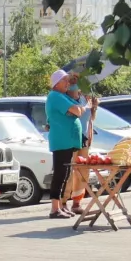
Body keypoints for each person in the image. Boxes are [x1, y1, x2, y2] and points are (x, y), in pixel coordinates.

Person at [45, 68, 87, 219]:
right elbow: (77, 110)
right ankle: (54, 209)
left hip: (69, 140)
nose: (67, 83)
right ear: (56, 83)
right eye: (65, 80)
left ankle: (63, 206)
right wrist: (76, 110)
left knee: (66, 173)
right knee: (60, 174)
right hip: (61, 141)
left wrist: (77, 109)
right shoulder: (55, 96)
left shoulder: (63, 96)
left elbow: (80, 107)